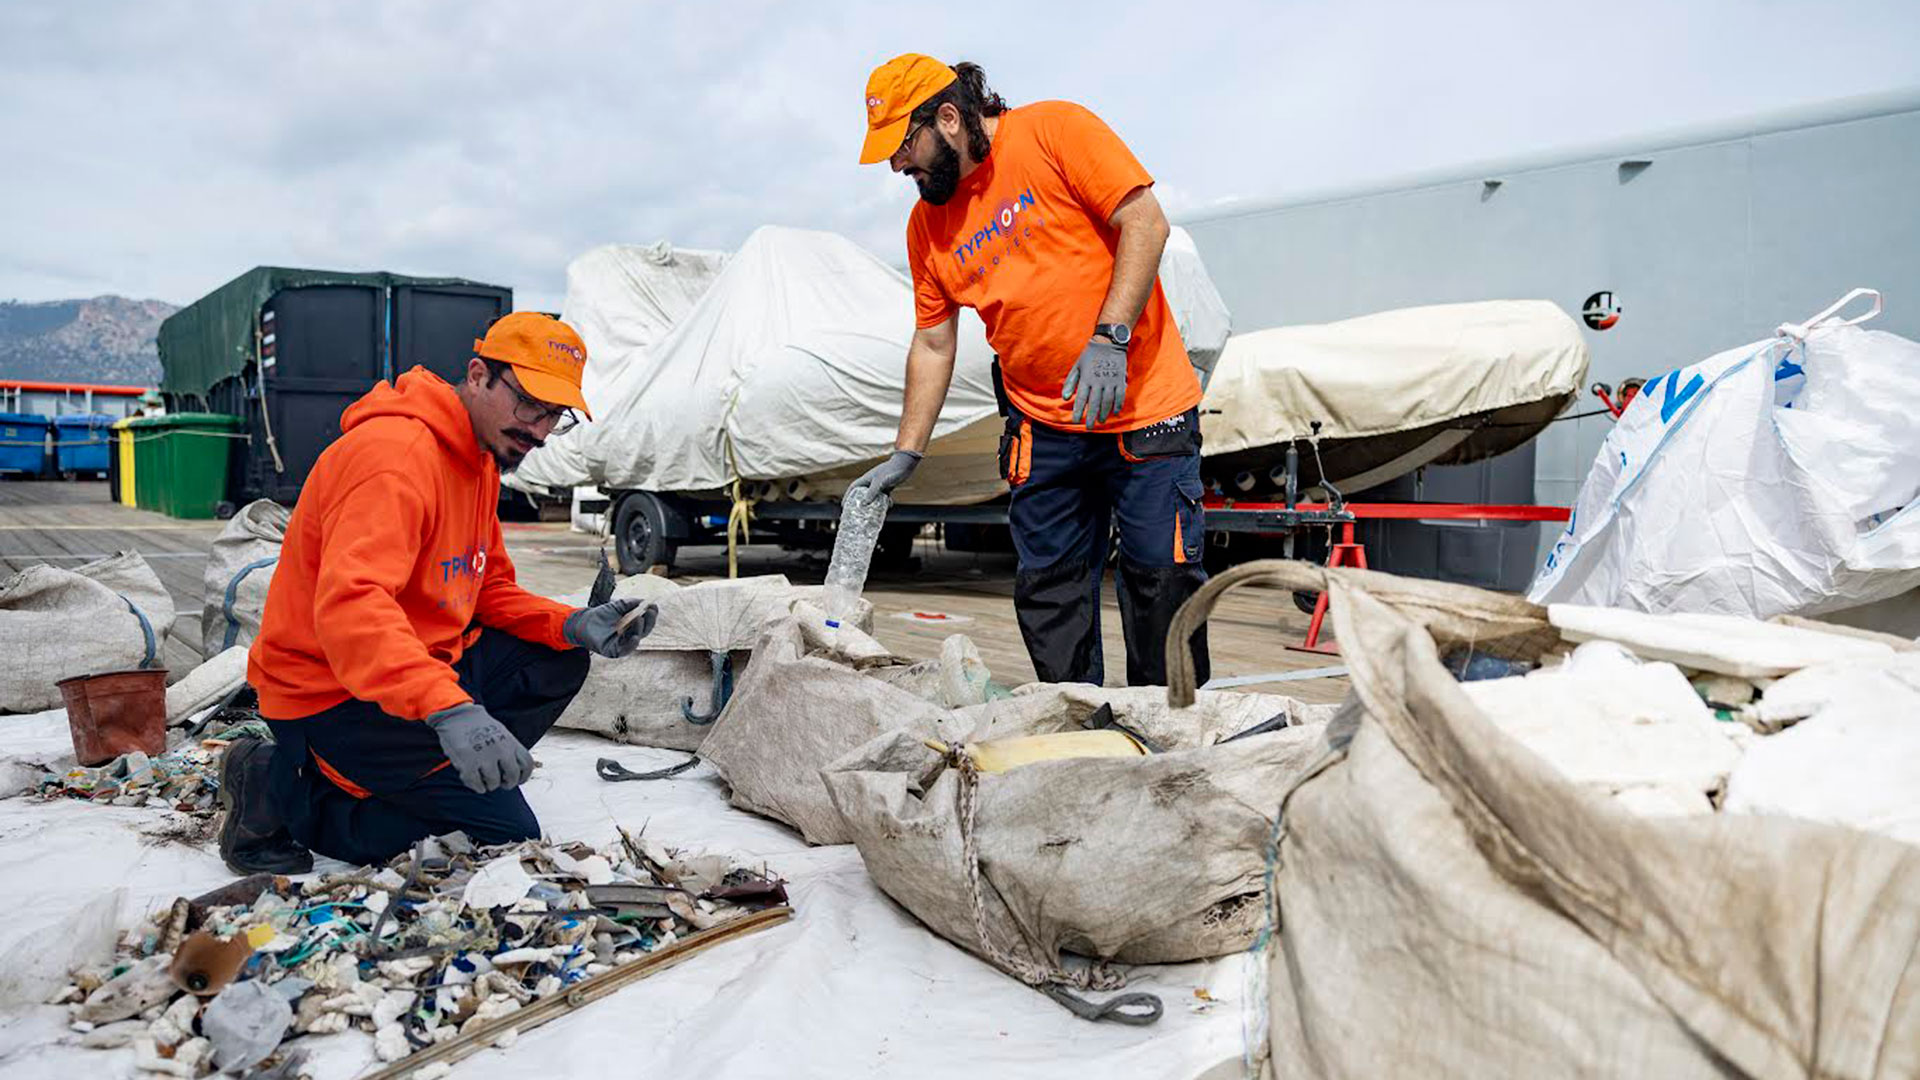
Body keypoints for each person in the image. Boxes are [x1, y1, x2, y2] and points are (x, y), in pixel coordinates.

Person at [218, 312, 655, 874]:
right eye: (529, 405)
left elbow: (486, 586)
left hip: (412, 668)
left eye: (555, 415)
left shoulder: (480, 458)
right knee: (504, 833)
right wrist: (450, 710)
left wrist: (571, 624)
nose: (541, 431)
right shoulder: (394, 459)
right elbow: (354, 609)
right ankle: (280, 789)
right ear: (478, 375)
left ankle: (427, 772)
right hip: (329, 689)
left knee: (558, 659)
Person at [852, 54, 1209, 688]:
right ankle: (1077, 735)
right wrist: (906, 452)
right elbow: (934, 343)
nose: (897, 165)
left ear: (951, 118)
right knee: (1051, 595)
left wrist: (1110, 339)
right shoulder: (925, 227)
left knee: (1164, 582)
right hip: (1043, 428)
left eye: (904, 145)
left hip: (1145, 411)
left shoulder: (1054, 132)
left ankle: (1174, 742)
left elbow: (1145, 222)